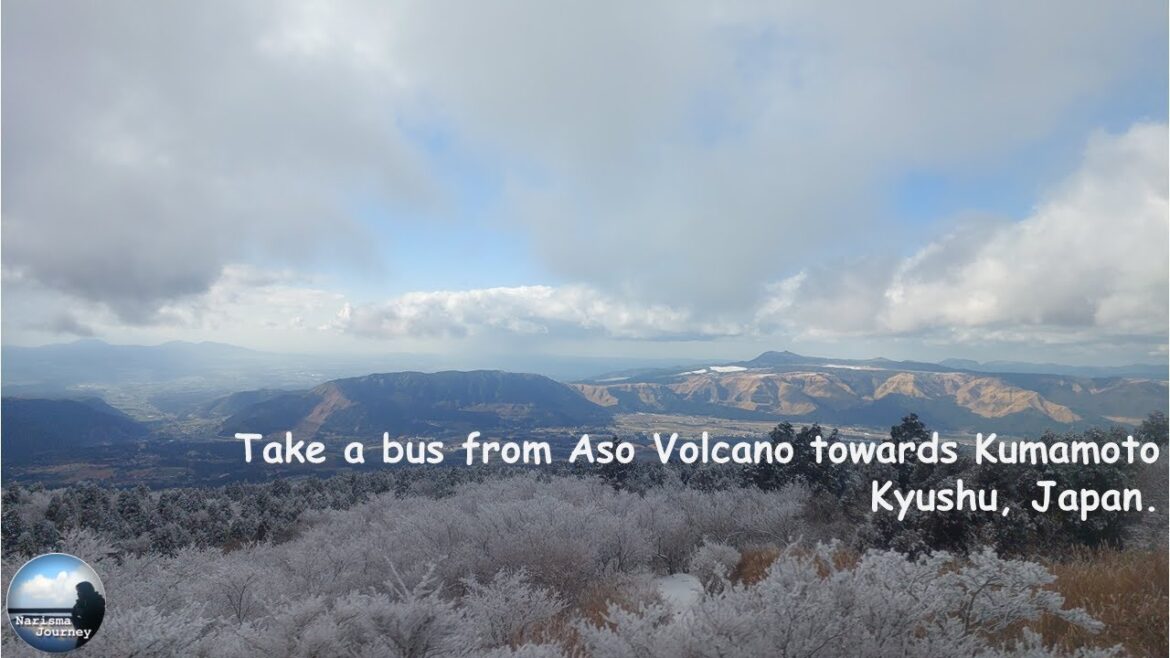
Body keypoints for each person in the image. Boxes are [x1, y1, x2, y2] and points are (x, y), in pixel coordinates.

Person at [70, 581, 105, 648]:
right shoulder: (79, 604)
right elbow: (74, 616)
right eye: (77, 592)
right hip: (83, 635)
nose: (77, 594)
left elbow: (89, 615)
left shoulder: (98, 603)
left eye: (79, 591)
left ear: (86, 591)